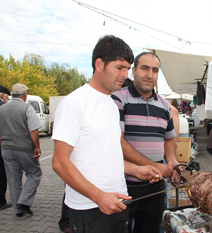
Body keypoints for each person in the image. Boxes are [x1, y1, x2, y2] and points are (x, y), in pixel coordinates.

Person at [52, 35, 162, 233]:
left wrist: (136, 170)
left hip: (118, 201)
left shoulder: (112, 105)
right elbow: (59, 162)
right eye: (119, 67)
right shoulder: (74, 103)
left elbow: (108, 156)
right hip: (90, 207)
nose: (124, 74)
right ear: (99, 64)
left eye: (127, 68)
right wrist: (99, 196)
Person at [112, 52, 180, 233]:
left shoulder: (165, 106)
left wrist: (172, 161)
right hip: (124, 185)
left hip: (155, 188)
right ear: (133, 71)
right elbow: (117, 142)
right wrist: (154, 166)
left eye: (155, 70)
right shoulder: (118, 100)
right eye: (144, 68)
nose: (150, 74)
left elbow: (168, 139)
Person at [0, 83, 42, 217]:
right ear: (25, 95)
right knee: (34, 173)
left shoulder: (2, 109)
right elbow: (33, 130)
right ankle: (24, 202)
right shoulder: (27, 108)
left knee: (13, 180)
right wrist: (36, 147)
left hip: (6, 149)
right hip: (24, 148)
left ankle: (18, 210)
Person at [0, 85, 11, 210]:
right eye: (7, 95)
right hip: (3, 145)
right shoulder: (3, 106)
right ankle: (1, 201)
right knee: (2, 174)